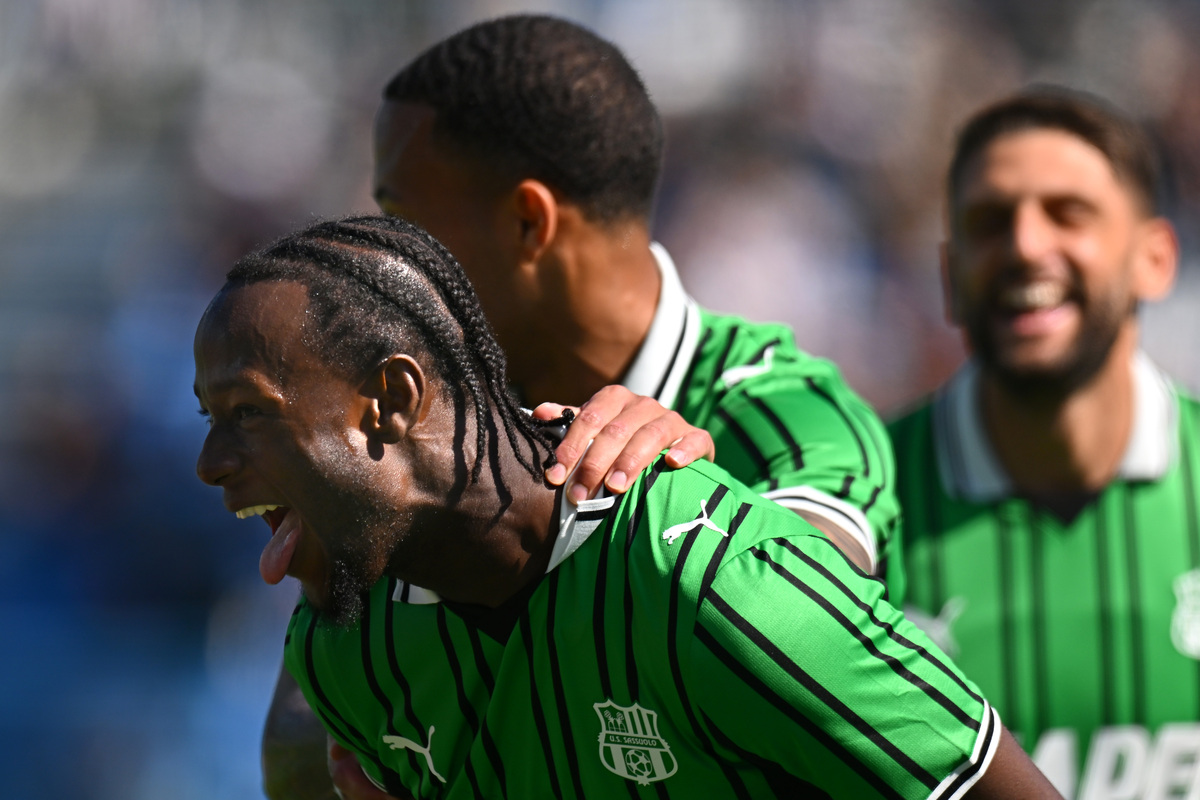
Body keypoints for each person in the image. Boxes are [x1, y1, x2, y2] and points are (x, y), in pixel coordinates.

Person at [195, 213, 1060, 799]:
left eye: (247, 414)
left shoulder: (704, 573)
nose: (207, 464)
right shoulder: (350, 652)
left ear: (389, 400)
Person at [265, 15, 902, 799]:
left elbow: (803, 619)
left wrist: (689, 514)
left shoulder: (786, 415)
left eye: (404, 221)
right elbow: (299, 743)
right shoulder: (425, 443)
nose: (386, 263)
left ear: (528, 221)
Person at [887, 87, 1193, 799]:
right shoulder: (856, 515)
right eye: (991, 222)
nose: (1026, 245)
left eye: (1069, 214)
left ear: (1154, 258)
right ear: (949, 276)